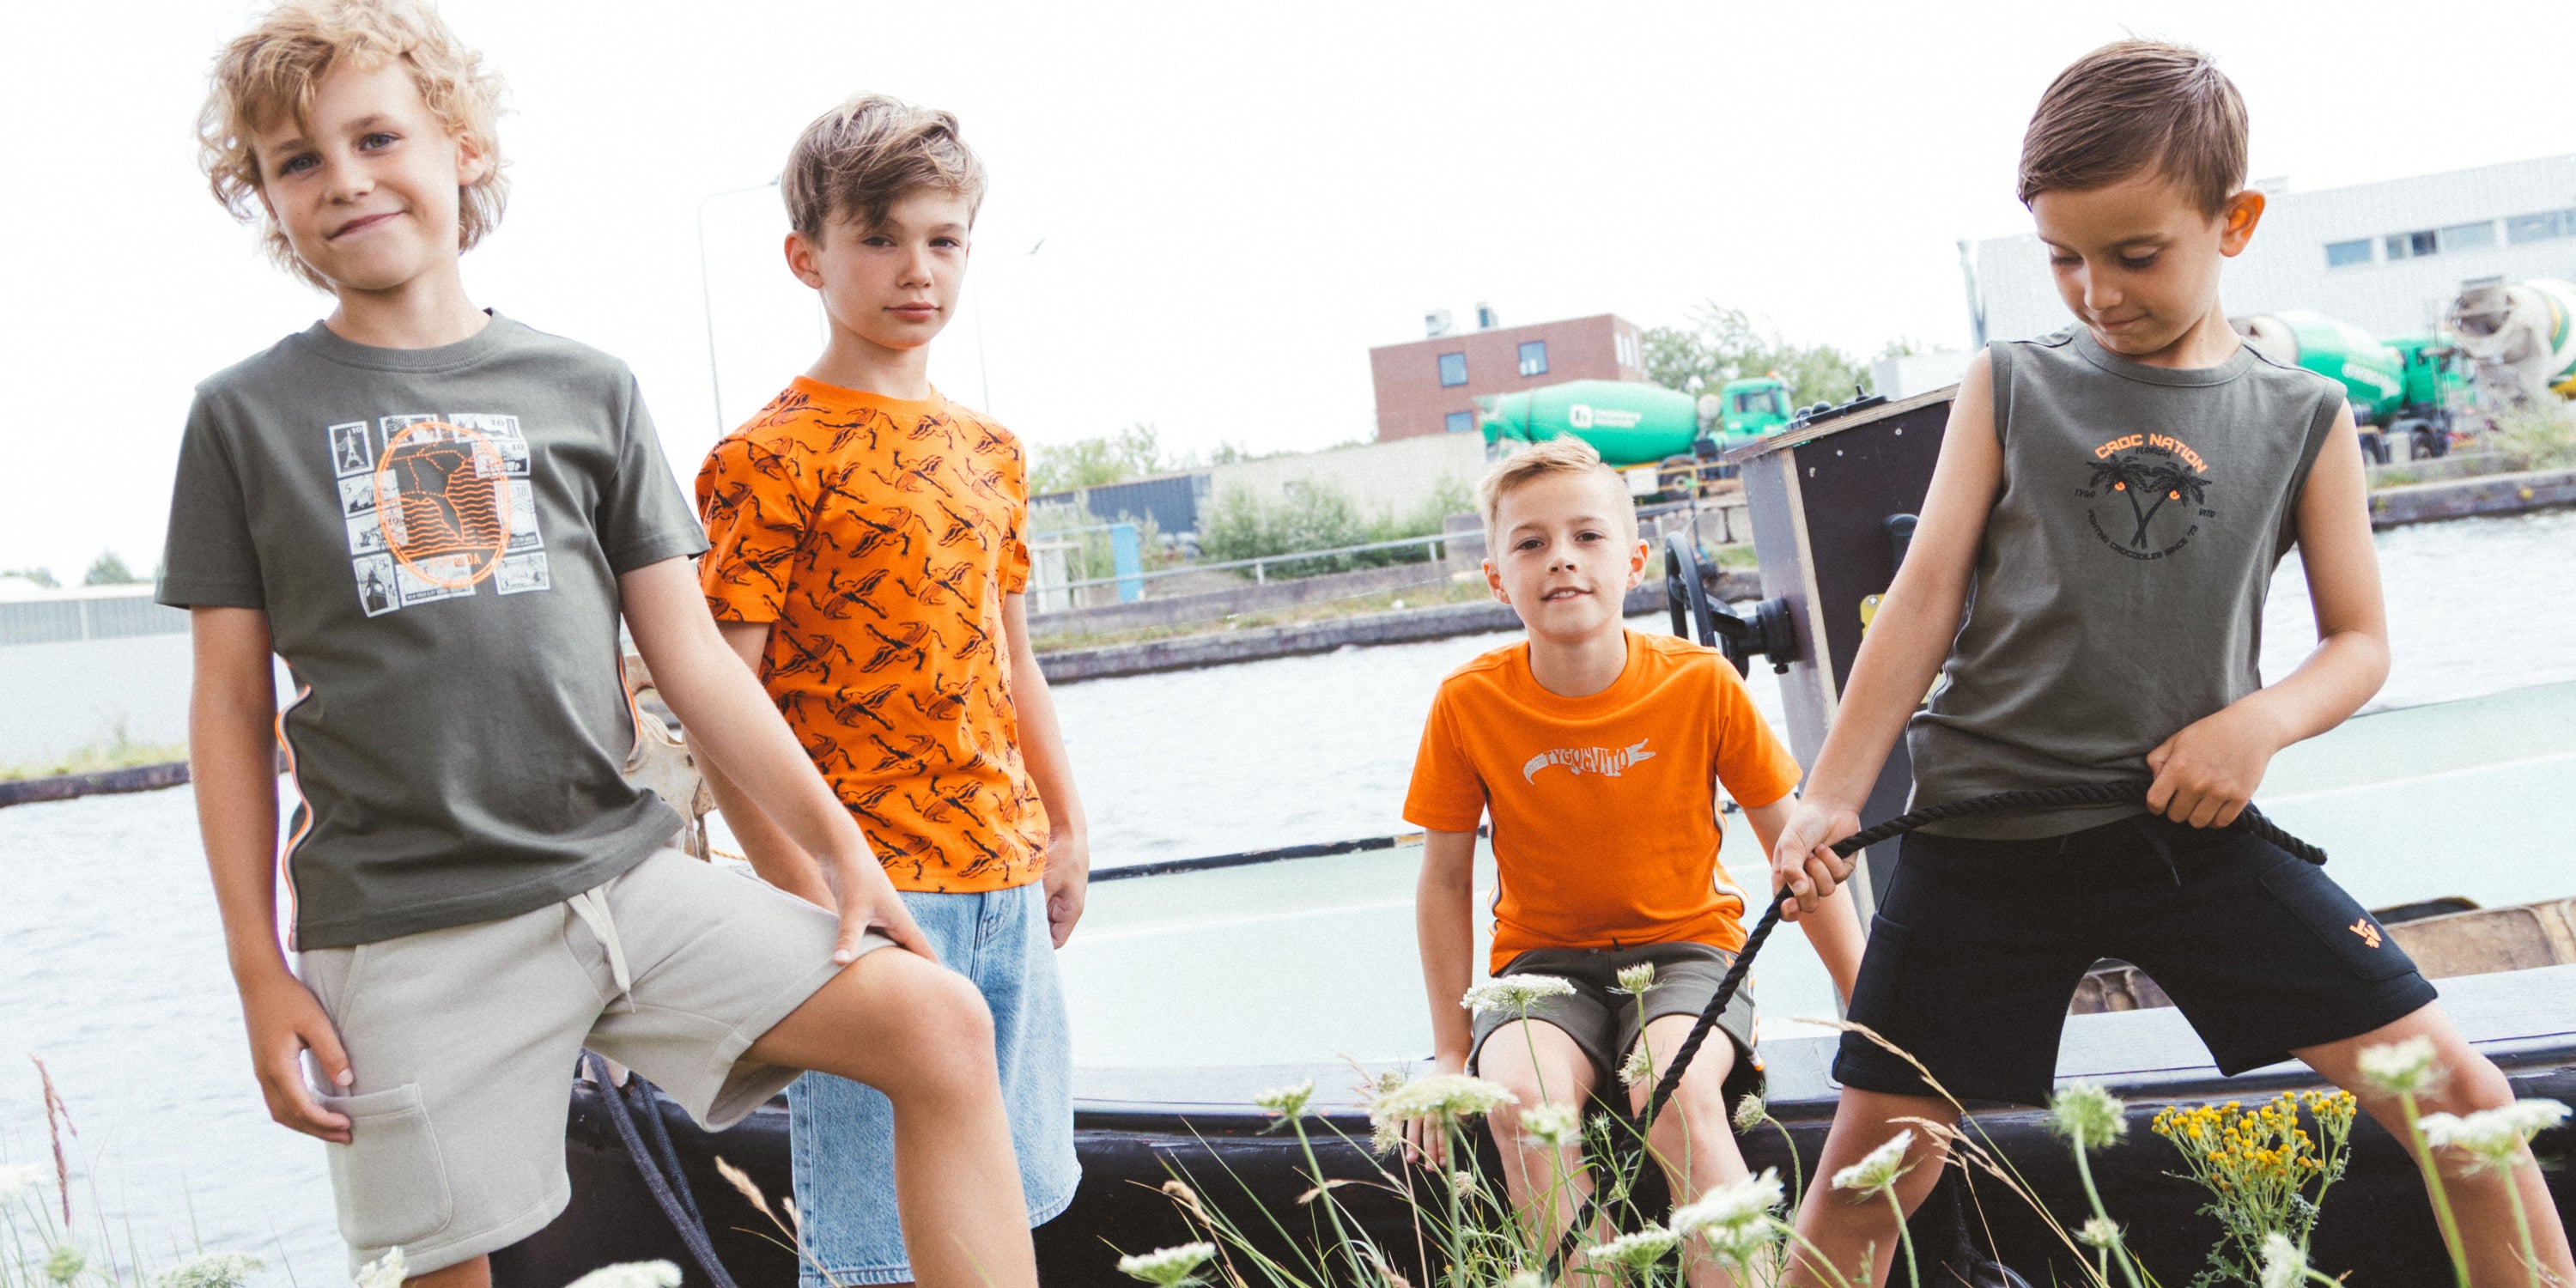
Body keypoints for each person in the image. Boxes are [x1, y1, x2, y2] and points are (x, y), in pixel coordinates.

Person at [163, 8, 1036, 1286]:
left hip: (626, 885)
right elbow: (230, 713)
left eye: (375, 139)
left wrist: (838, 851)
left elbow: (695, 662)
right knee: (450, 1267)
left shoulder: (586, 389)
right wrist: (260, 967)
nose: (344, 178)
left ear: (460, 147)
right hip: (408, 935)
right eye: (298, 161)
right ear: (265, 197)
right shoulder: (241, 419)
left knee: (939, 1024)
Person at [1770, 41, 2575, 1285]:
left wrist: (2258, 725)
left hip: (2188, 829)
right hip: (1983, 839)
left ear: (2233, 223)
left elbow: (2360, 644)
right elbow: (1922, 601)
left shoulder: (2306, 415)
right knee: (1869, 1178)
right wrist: (1829, 792)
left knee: (2467, 1108)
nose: (2096, 291)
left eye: (2136, 254)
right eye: (2063, 258)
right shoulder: (2008, 384)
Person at [691, 93, 1087, 1288]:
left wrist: (1066, 827)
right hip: (871, 893)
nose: (917, 269)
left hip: (1005, 876)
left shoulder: (991, 451)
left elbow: (1012, 658)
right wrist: (799, 890)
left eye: (943, 239)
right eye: (879, 238)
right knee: (877, 1254)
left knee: (1011, 1208)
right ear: (806, 256)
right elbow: (723, 702)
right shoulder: (765, 457)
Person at [1401, 436, 1863, 1285]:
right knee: (1522, 1109)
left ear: (1635, 560)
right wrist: (1448, 1053)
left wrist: (1870, 1010)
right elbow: (1444, 881)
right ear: (1497, 578)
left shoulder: (1700, 683)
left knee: (1674, 1091)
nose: (1562, 559)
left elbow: (1797, 852)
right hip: (1540, 972)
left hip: (1687, 956)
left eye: (1587, 536)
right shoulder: (1468, 703)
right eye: (1531, 543)